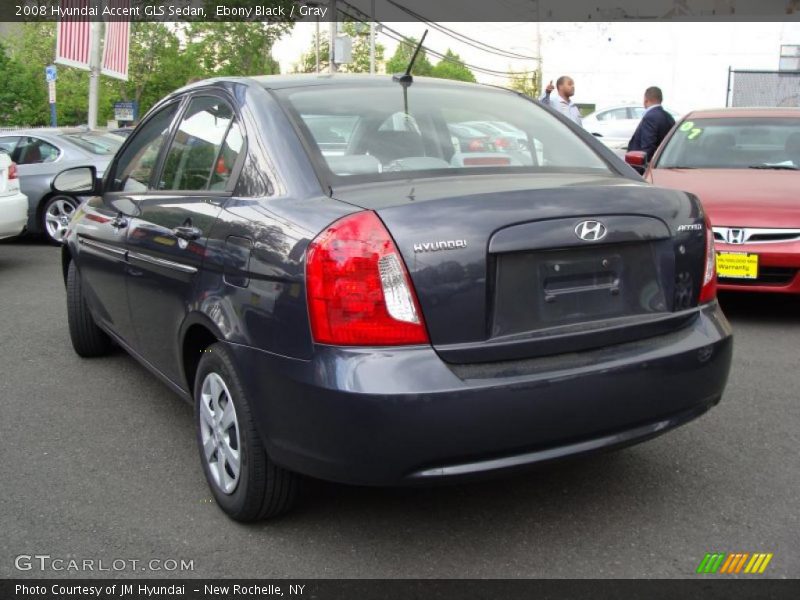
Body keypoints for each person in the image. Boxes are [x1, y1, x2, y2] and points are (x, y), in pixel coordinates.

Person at [628, 86, 676, 161]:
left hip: (646, 168)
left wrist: (641, 169)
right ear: (661, 100)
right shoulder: (669, 117)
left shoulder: (650, 117)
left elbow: (648, 147)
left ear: (645, 100)